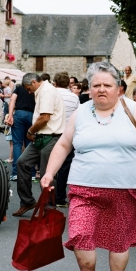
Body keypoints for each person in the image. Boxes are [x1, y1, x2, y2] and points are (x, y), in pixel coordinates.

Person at [41, 62, 136, 271]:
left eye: (107, 85)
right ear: (89, 89)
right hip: (84, 187)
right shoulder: (81, 112)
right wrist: (49, 173)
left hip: (124, 188)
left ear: (118, 88)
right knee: (81, 236)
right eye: (96, 85)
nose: (102, 90)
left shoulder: (134, 110)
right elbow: (63, 145)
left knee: (119, 241)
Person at [12, 73, 65, 217]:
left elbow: (44, 118)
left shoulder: (47, 91)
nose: (29, 92)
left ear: (34, 82)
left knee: (46, 174)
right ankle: (28, 201)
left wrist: (30, 131)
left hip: (50, 137)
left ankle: (48, 209)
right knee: (22, 163)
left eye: (29, 89)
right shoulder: (43, 90)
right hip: (41, 137)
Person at [53, 72, 80, 207]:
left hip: (51, 132)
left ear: (55, 83)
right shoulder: (74, 97)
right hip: (68, 133)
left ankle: (48, 196)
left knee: (49, 164)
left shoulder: (51, 95)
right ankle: (59, 198)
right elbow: (78, 116)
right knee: (64, 167)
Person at [5, 80, 36, 181]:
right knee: (30, 144)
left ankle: (16, 173)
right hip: (32, 115)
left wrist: (10, 115)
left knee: (17, 144)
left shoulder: (18, 88)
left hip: (19, 114)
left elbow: (12, 101)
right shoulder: (35, 89)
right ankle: (31, 173)